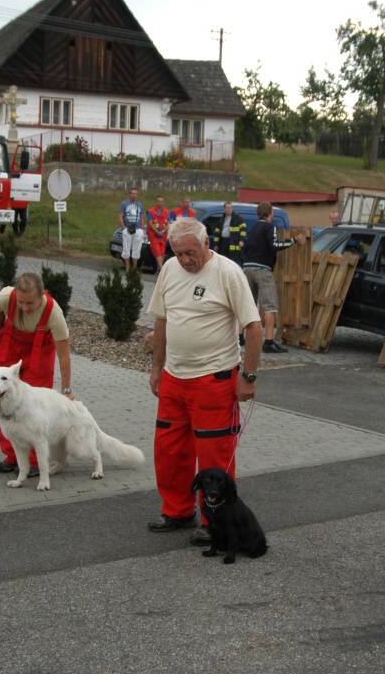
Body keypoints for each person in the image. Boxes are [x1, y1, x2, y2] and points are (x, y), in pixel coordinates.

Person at [146, 218, 262, 546]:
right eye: (179, 253)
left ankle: (216, 521)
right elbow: (162, 321)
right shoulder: (169, 269)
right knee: (169, 452)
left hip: (214, 380)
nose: (185, 260)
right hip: (174, 378)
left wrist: (248, 377)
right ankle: (178, 510)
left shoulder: (228, 273)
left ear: (207, 243)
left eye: (190, 253)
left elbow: (254, 328)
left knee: (213, 458)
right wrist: (157, 369)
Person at [0, 272, 73, 475]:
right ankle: (11, 457)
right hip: (10, 347)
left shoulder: (53, 312)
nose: (24, 307)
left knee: (33, 407)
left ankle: (34, 461)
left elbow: (64, 356)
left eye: (29, 303)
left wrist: (66, 389)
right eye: (21, 302)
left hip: (39, 354)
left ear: (41, 295)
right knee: (4, 402)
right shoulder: (6, 296)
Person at [242, 201, 305, 354]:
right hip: (263, 269)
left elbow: (244, 247)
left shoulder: (252, 227)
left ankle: (240, 337)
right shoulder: (270, 227)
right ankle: (268, 342)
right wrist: (294, 241)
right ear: (270, 213)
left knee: (248, 304)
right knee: (270, 306)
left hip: (247, 267)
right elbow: (274, 245)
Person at [119, 188, 145, 271]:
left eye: (136, 194)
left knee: (137, 249)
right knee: (126, 248)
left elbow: (142, 216)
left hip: (137, 229)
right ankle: (127, 266)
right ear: (129, 194)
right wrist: (123, 227)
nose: (134, 195)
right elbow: (120, 216)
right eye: (132, 193)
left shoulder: (139, 204)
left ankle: (134, 267)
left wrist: (141, 228)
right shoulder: (124, 203)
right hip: (127, 228)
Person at [146, 195, 171, 271]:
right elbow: (150, 223)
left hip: (163, 234)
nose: (160, 203)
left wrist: (163, 231)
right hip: (153, 234)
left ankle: (159, 269)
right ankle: (162, 269)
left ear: (164, 202)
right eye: (158, 201)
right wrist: (157, 232)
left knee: (162, 252)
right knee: (157, 251)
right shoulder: (150, 211)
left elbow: (169, 223)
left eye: (161, 201)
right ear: (156, 202)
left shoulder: (167, 212)